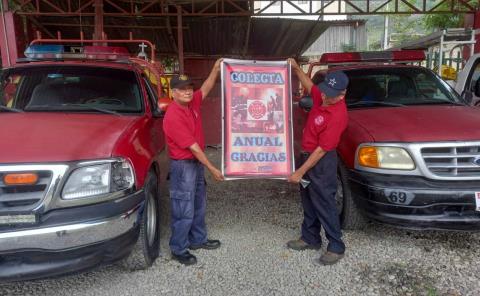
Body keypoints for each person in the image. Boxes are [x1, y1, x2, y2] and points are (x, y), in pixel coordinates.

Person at [286, 58, 349, 266]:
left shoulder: (338, 115)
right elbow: (310, 86)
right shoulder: (322, 96)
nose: (323, 96)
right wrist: (296, 69)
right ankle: (310, 237)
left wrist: (299, 171)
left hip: (321, 162)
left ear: (342, 94)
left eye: (330, 95)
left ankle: (336, 245)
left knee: (324, 201)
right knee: (308, 199)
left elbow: (322, 150)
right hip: (307, 156)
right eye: (324, 91)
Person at [163, 59, 225, 266]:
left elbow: (206, 89)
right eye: (182, 89)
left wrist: (215, 69)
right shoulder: (173, 115)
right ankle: (179, 248)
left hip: (195, 165)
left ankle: (198, 239)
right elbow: (194, 148)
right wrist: (213, 168)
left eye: (189, 88)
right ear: (173, 93)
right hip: (183, 167)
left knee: (198, 203)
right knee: (183, 208)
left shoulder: (192, 104)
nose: (188, 92)